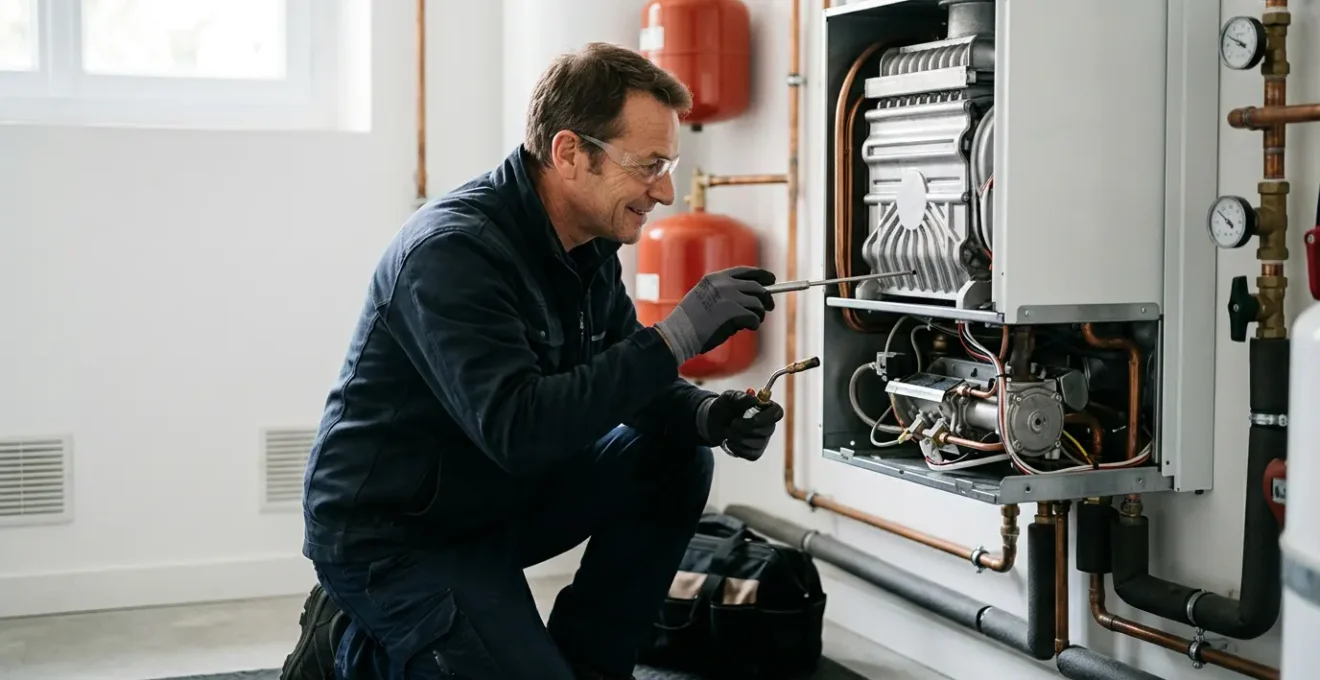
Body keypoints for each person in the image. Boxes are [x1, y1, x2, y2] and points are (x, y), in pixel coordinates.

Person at [280, 42, 786, 680]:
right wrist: (678, 337)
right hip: (396, 533)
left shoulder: (585, 244)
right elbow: (518, 430)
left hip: (493, 501)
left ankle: (590, 665)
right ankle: (350, 646)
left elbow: (620, 375)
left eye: (669, 164)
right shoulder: (453, 253)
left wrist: (708, 414)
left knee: (678, 455)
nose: (664, 190)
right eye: (648, 165)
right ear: (569, 152)